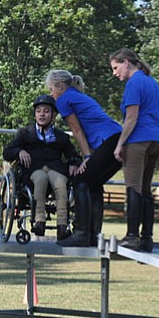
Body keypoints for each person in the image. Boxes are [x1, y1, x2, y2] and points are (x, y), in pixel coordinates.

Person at [45, 69, 123, 247]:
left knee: (80, 180)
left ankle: (81, 233)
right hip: (118, 139)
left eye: (51, 89)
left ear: (60, 86)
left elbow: (77, 130)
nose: (51, 94)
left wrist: (87, 156)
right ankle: (93, 234)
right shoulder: (79, 96)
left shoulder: (64, 99)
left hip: (109, 141)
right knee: (93, 183)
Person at [3, 94, 80, 240]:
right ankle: (39, 220)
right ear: (34, 114)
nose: (42, 114)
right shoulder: (25, 133)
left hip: (55, 169)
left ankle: (62, 225)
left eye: (46, 111)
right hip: (33, 170)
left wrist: (74, 163)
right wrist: (20, 151)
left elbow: (73, 154)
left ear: (53, 115)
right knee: (41, 178)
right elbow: (7, 152)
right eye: (38, 111)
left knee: (60, 182)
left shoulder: (62, 137)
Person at [110, 48, 159, 252]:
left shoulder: (133, 83)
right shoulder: (152, 82)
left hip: (138, 140)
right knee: (145, 189)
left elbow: (131, 118)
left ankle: (132, 236)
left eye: (116, 68)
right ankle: (147, 238)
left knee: (133, 187)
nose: (115, 73)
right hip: (156, 139)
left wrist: (120, 144)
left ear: (126, 62)